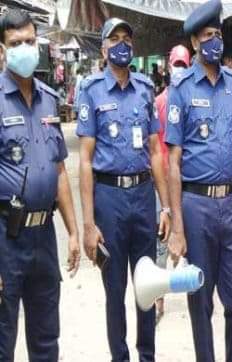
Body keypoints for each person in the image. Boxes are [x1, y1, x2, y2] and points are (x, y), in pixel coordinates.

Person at [165, 1, 232, 360]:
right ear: (194, 43)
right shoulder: (181, 88)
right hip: (196, 207)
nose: (215, 42)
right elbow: (172, 161)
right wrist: (176, 225)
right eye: (208, 36)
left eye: (218, 35)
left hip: (231, 207)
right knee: (200, 301)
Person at [76, 17, 171, 362]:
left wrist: (165, 207)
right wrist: (89, 224)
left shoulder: (145, 89)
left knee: (147, 286)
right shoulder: (91, 91)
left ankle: (147, 355)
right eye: (113, 39)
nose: (121, 44)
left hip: (143, 197)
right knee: (114, 290)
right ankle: (120, 357)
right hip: (110, 200)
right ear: (103, 49)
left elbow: (156, 151)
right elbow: (84, 161)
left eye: (126, 38)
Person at [0, 9, 81, 360]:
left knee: (47, 340)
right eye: (16, 43)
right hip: (6, 238)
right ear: (1, 51)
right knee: (2, 339)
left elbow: (59, 170)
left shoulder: (49, 98)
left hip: (44, 237)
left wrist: (74, 231)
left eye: (30, 41)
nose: (25, 49)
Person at [152, 44, 190, 321]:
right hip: (165, 181)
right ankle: (158, 298)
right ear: (168, 67)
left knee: (191, 236)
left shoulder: (192, 100)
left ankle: (195, 292)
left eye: (182, 65)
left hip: (189, 180)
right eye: (176, 65)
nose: (178, 70)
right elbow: (153, 147)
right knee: (162, 240)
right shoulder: (159, 102)